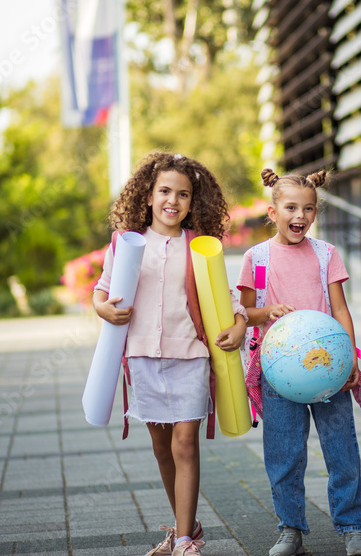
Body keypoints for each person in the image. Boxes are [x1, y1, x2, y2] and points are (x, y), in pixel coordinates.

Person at [94, 151, 248, 556]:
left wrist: (240, 323)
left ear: (192, 201)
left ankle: (182, 541)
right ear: (148, 195)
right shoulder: (127, 244)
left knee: (184, 443)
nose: (172, 201)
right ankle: (187, 524)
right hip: (143, 357)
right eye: (165, 191)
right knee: (162, 448)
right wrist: (102, 307)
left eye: (183, 194)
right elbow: (103, 289)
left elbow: (226, 297)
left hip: (192, 356)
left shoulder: (200, 246)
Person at [237, 168, 361, 556]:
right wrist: (267, 313)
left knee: (342, 450)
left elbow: (340, 308)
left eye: (308, 209)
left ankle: (352, 527)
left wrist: (349, 357)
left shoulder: (325, 253)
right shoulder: (257, 257)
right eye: (291, 207)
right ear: (273, 210)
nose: (300, 216)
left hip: (328, 370)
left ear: (315, 213)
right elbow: (245, 311)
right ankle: (290, 529)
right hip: (279, 373)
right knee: (284, 455)